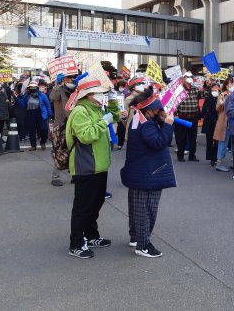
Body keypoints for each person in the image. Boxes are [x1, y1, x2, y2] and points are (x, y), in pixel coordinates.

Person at [66, 76, 120, 258]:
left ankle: (90, 235)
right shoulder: (81, 111)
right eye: (98, 92)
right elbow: (86, 136)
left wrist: (112, 101)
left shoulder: (96, 108)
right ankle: (76, 243)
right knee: (83, 207)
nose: (101, 95)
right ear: (87, 95)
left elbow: (115, 116)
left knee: (96, 203)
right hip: (86, 166)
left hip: (99, 166)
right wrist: (103, 122)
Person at [121, 88, 176, 258]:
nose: (160, 112)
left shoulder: (139, 119)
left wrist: (161, 121)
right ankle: (143, 245)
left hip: (140, 171)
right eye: (157, 109)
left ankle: (136, 237)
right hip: (148, 173)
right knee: (147, 209)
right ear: (149, 109)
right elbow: (160, 142)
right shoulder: (146, 124)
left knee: (137, 208)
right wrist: (167, 124)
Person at [48, 73, 77, 186]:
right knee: (59, 151)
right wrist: (57, 84)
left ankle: (73, 174)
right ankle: (55, 176)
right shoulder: (59, 89)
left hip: (73, 124)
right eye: (69, 77)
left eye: (73, 77)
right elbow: (52, 97)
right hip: (60, 126)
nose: (72, 79)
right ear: (64, 79)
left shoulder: (76, 90)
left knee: (74, 150)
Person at [173, 71, 203, 162]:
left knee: (193, 138)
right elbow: (174, 102)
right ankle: (180, 155)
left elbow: (203, 95)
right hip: (182, 117)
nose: (190, 78)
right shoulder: (179, 89)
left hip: (193, 117)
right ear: (183, 78)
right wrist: (175, 114)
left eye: (191, 77)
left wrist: (206, 86)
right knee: (182, 137)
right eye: (188, 77)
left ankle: (192, 155)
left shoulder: (195, 89)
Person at [18, 81, 52, 151]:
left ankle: (43, 142)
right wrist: (19, 98)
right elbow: (23, 105)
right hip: (30, 113)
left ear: (36, 88)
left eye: (33, 87)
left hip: (40, 113)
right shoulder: (26, 96)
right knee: (31, 130)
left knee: (44, 129)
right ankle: (33, 145)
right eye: (31, 87)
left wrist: (50, 113)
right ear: (28, 88)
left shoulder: (42, 95)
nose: (32, 88)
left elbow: (47, 105)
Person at [214, 77, 233, 172]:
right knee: (223, 142)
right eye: (230, 84)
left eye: (233, 83)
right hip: (225, 123)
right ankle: (219, 163)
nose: (232, 85)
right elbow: (217, 108)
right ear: (226, 85)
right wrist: (221, 103)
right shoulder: (222, 95)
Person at [201, 83, 219, 166]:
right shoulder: (208, 99)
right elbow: (205, 110)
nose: (215, 92)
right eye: (213, 90)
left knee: (217, 141)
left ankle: (215, 157)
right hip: (209, 123)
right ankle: (211, 158)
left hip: (217, 123)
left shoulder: (220, 99)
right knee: (210, 141)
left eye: (216, 90)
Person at [114, 80, 128, 150]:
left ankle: (120, 144)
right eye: (121, 86)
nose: (122, 88)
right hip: (114, 112)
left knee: (121, 129)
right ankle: (111, 143)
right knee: (113, 129)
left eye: (123, 87)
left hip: (121, 113)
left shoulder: (123, 94)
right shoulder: (113, 93)